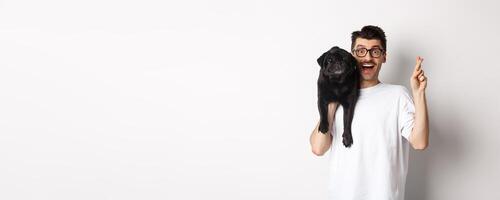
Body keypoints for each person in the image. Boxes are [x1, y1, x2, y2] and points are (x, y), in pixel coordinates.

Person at [309, 25, 429, 200]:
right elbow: (318, 148)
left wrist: (418, 94)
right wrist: (332, 103)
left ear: (384, 57)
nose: (368, 57)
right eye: (361, 51)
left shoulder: (397, 95)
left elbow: (419, 143)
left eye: (375, 51)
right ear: (352, 57)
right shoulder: (337, 98)